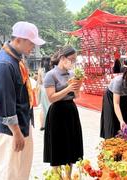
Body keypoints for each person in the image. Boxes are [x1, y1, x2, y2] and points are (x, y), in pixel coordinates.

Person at [0, 21, 45, 180]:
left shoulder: (17, 59)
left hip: (22, 125)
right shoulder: (4, 64)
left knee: (21, 171)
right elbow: (6, 105)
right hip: (11, 131)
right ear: (18, 39)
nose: (33, 46)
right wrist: (17, 133)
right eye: (31, 42)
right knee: (9, 172)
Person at [43, 45, 83, 178]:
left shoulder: (73, 74)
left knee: (71, 146)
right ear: (62, 58)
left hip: (71, 111)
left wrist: (77, 88)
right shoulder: (51, 75)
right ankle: (57, 177)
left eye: (74, 60)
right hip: (57, 113)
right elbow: (51, 98)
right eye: (71, 59)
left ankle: (68, 177)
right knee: (57, 147)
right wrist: (68, 88)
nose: (72, 63)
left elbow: (76, 96)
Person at [100, 62, 127, 139]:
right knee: (112, 121)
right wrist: (121, 120)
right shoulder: (118, 81)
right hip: (111, 97)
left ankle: (123, 142)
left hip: (124, 97)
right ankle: (109, 143)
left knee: (125, 121)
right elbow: (116, 104)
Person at [36, 57, 51, 130]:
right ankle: (51, 124)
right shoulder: (52, 69)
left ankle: (42, 125)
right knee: (50, 107)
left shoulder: (40, 70)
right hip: (50, 89)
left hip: (43, 90)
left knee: (42, 108)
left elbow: (39, 82)